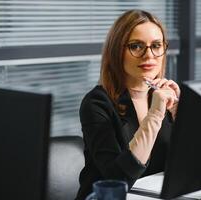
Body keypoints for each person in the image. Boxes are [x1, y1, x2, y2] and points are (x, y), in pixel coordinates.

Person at [75, 9, 180, 200]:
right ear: (117, 51)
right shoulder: (96, 103)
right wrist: (155, 115)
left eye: (156, 45)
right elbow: (118, 179)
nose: (149, 55)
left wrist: (181, 116)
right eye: (136, 46)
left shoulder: (164, 97)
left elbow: (185, 168)